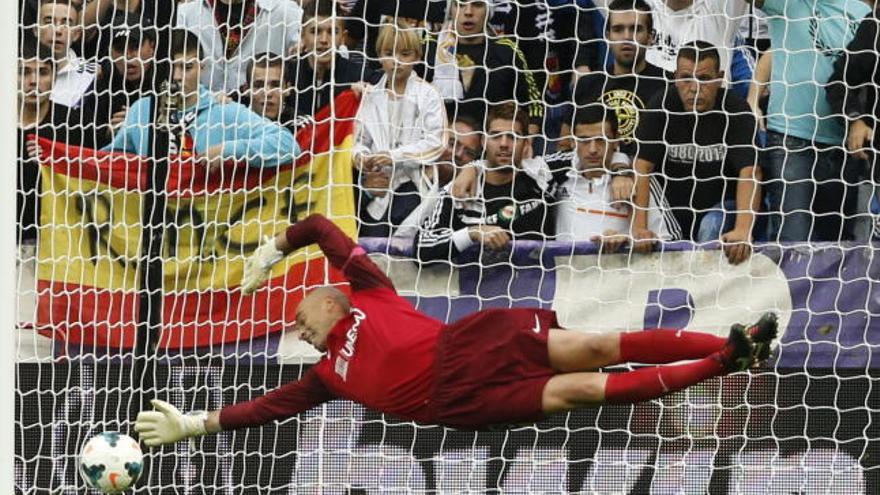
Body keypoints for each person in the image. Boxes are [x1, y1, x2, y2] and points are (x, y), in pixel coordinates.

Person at [133, 212, 777, 442]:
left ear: (329, 300)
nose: (298, 331)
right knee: (582, 391)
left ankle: (730, 341)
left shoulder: (368, 291)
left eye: (300, 318)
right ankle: (726, 362)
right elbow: (268, 407)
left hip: (472, 342)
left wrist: (277, 247)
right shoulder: (330, 377)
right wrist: (197, 424)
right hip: (462, 401)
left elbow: (323, 230)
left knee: (595, 347)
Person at [750, 0, 873, 242]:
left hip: (843, 143)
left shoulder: (862, 13)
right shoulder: (784, 4)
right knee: (794, 239)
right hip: (791, 138)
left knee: (837, 246)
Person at [630, 41, 761, 265]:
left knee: (710, 225)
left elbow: (750, 171)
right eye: (686, 78)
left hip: (723, 207)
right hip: (672, 209)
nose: (694, 88)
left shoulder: (735, 108)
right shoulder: (660, 105)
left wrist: (742, 229)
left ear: (720, 77)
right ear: (674, 78)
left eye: (704, 79)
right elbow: (642, 167)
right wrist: (639, 227)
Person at [104, 29, 299, 170]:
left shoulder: (225, 112)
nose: (177, 77)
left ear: (202, 67)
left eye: (187, 68)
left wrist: (228, 149)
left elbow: (288, 146)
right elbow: (107, 162)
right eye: (172, 68)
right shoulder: (142, 110)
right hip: (153, 218)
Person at [413, 103, 551, 263]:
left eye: (513, 137)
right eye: (496, 136)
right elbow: (422, 247)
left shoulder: (541, 176)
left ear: (526, 144)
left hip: (536, 285)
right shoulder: (458, 191)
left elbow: (582, 154)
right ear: (484, 141)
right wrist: (474, 233)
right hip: (474, 286)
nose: (504, 144)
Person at [353, 25, 446, 238]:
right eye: (388, 54)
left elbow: (437, 142)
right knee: (372, 248)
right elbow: (359, 140)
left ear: (417, 56)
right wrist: (364, 159)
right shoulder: (371, 95)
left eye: (405, 54)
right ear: (379, 56)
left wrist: (394, 156)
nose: (396, 61)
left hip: (412, 187)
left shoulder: (429, 94)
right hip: (377, 187)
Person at [423, 0, 543, 134]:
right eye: (460, 4)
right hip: (438, 143)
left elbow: (534, 106)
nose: (468, 12)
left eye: (477, 5)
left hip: (492, 147)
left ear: (489, 11)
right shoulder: (429, 48)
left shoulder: (506, 50)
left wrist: (528, 141)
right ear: (450, 9)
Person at [176, 0, 303, 93]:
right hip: (202, 117)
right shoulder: (186, 14)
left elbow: (306, 51)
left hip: (261, 120)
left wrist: (302, 47)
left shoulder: (284, 11)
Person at [288, 0, 376, 118]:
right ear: (302, 35)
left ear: (343, 37)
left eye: (332, 32)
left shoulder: (362, 77)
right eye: (315, 31)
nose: (324, 39)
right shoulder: (287, 74)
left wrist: (367, 93)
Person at [93, 27, 163, 147]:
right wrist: (109, 134)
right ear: (111, 52)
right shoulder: (100, 88)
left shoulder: (166, 83)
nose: (128, 56)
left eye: (135, 47)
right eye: (120, 49)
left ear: (152, 47)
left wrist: (137, 119)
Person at [32, 0, 98, 110]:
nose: (58, 30)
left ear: (76, 34)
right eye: (49, 22)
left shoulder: (90, 75)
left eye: (66, 23)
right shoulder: (14, 70)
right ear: (36, 30)